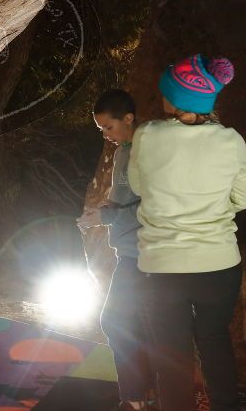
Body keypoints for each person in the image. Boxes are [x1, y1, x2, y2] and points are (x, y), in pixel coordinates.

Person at [128, 54, 246, 411]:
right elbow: (243, 200)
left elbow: (139, 186)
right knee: (215, 341)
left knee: (172, 352)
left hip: (161, 267)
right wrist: (211, 209)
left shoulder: (148, 135)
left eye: (165, 91)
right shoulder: (231, 141)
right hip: (218, 265)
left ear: (176, 98)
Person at [78, 89, 154, 411]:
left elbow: (153, 206)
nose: (106, 135)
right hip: (128, 248)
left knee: (116, 320)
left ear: (128, 118)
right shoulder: (124, 148)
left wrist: (105, 215)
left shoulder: (147, 150)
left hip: (144, 252)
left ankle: (137, 397)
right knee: (126, 322)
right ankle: (139, 396)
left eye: (108, 127)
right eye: (100, 130)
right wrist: (108, 206)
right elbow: (127, 195)